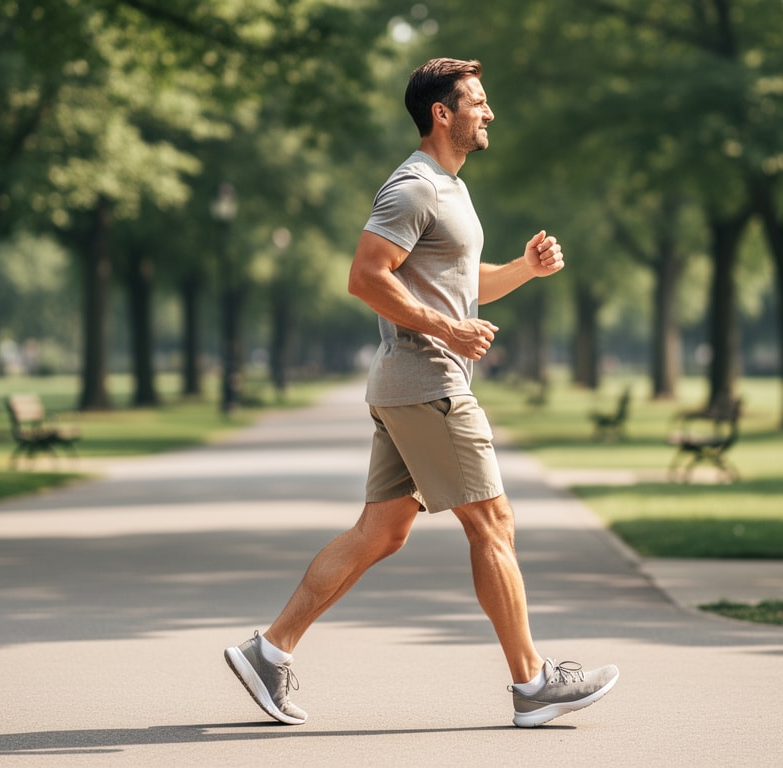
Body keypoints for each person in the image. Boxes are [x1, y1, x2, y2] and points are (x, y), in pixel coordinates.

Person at [225, 57, 618, 729]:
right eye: (478, 103)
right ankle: (532, 684)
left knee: (381, 531)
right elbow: (365, 276)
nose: (489, 112)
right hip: (429, 381)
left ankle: (269, 650)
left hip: (412, 383)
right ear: (444, 113)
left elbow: (461, 287)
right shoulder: (412, 188)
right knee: (493, 523)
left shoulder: (451, 189)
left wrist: (523, 269)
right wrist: (446, 328)